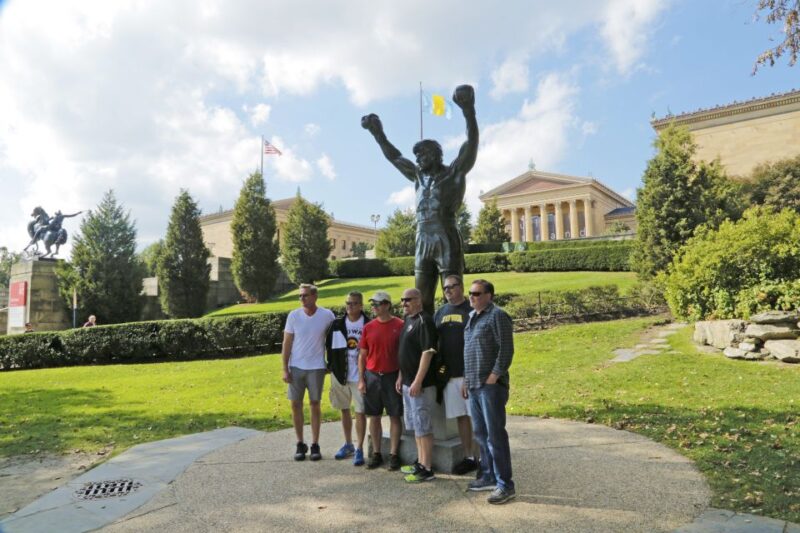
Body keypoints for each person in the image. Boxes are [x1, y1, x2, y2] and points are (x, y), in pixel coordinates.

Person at [361, 84, 478, 315]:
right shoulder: (417, 176)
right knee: (419, 299)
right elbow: (395, 157)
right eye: (416, 156)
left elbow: (471, 143)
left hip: (445, 233)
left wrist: (468, 110)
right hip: (422, 236)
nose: (418, 159)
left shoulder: (453, 173)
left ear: (434, 154)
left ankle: (457, 337)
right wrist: (378, 133)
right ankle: (423, 343)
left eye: (421, 154)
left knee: (453, 294)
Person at [462, 279, 516, 504]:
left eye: (476, 293)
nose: (472, 297)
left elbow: (506, 350)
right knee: (481, 435)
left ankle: (505, 485)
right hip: (474, 386)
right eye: (470, 293)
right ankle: (488, 476)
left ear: (489, 295)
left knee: (495, 436)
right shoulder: (472, 318)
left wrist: (494, 376)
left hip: (490, 387)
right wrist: (466, 380)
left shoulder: (498, 316)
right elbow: (468, 351)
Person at [282, 284, 335, 461]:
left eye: (305, 295)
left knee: (314, 403)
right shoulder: (294, 316)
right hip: (296, 367)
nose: (301, 299)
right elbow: (287, 343)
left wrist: (331, 362)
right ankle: (300, 443)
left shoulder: (327, 315)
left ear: (314, 296)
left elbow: (334, 341)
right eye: (300, 296)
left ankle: (314, 444)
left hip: (317, 367)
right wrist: (285, 368)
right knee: (295, 404)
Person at [434, 275, 478, 475]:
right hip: (449, 376)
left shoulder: (471, 311)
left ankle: (484, 458)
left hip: (470, 374)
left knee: (477, 417)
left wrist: (471, 374)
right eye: (445, 288)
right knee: (461, 418)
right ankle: (469, 457)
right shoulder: (440, 312)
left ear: (461, 287)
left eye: (452, 286)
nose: (449, 290)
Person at [357, 290, 404, 470]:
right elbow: (362, 356)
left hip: (392, 376)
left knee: (394, 416)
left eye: (377, 304)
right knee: (374, 416)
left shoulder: (399, 325)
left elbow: (403, 355)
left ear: (386, 305)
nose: (374, 307)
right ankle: (376, 453)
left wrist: (401, 376)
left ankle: (393, 454)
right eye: (373, 304)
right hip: (372, 376)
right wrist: (361, 379)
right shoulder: (368, 327)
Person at [397, 288, 438, 483]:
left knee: (423, 426)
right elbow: (405, 352)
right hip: (406, 383)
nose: (404, 303)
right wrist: (401, 377)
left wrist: (417, 380)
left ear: (419, 300)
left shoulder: (425, 321)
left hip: (419, 385)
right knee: (415, 426)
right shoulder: (408, 320)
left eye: (408, 300)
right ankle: (420, 462)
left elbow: (427, 352)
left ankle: (427, 468)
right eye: (402, 300)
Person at [325, 291, 370, 466]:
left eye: (353, 303)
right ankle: (348, 444)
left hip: (360, 376)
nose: (349, 306)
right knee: (344, 409)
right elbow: (328, 345)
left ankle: (359, 448)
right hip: (339, 374)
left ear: (361, 305)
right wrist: (331, 366)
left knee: (360, 411)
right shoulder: (336, 324)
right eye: (347, 303)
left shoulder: (368, 324)